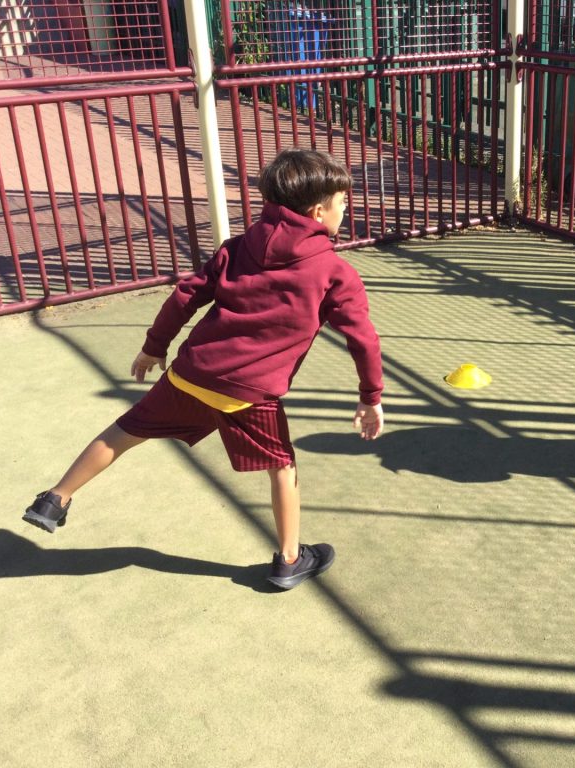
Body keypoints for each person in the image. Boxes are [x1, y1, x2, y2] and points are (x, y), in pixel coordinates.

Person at [23, 149, 384, 589]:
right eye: (343, 203)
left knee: (124, 431)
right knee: (281, 465)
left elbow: (184, 297)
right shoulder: (334, 272)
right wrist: (370, 398)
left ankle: (54, 498)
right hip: (250, 394)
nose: (345, 211)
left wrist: (154, 348)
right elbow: (362, 339)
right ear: (317, 211)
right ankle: (290, 559)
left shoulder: (237, 248)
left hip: (192, 373)